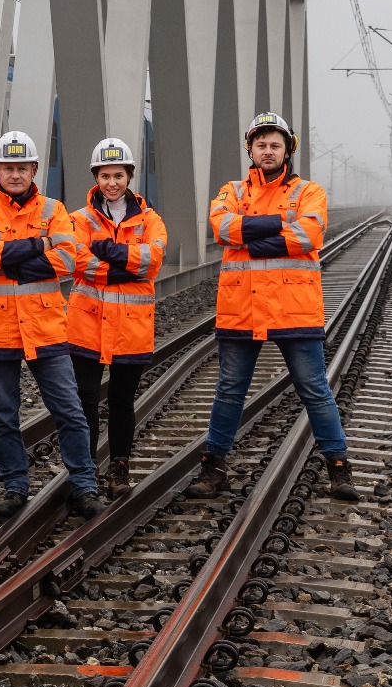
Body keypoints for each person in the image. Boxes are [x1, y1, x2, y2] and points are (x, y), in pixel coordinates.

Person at [194, 112, 359, 503]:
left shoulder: (309, 191)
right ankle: (213, 466)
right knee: (230, 390)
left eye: (275, 145)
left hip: (293, 309)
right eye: (261, 144)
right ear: (250, 148)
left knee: (314, 389)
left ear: (287, 150)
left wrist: (249, 234)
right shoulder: (230, 191)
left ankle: (338, 467)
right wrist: (279, 226)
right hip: (242, 307)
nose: (268, 151)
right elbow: (220, 229)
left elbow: (310, 234)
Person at [0, 131, 104, 521]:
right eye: (7, 168)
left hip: (45, 328)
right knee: (3, 415)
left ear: (34, 170)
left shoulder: (54, 209)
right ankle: (15, 487)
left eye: (21, 168)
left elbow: (69, 260)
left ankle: (84, 485)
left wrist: (10, 259)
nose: (14, 175)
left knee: (70, 411)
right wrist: (39, 246)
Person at [68, 137, 167, 498]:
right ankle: (86, 470)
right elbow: (76, 259)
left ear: (130, 176)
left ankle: (119, 468)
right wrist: (125, 265)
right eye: (106, 175)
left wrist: (104, 251)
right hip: (87, 325)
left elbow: (153, 260)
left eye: (119, 175)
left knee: (123, 402)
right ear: (96, 176)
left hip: (130, 326)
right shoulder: (78, 219)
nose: (112, 183)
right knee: (85, 400)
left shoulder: (150, 219)